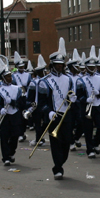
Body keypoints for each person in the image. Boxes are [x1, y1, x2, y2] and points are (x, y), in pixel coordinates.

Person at [36, 39, 76, 179]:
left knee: (66, 142)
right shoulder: (44, 81)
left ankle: (60, 162)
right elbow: (40, 103)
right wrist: (49, 111)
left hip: (66, 114)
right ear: (52, 65)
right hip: (53, 115)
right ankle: (57, 168)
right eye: (57, 65)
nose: (60, 67)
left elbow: (71, 94)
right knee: (55, 143)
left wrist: (72, 98)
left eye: (61, 65)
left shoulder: (69, 79)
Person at [0, 63, 26, 166]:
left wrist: (12, 102)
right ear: (3, 78)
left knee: (15, 136)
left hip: (15, 115)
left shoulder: (17, 89)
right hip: (4, 116)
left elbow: (22, 103)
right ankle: (5, 157)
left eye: (10, 76)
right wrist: (0, 109)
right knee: (4, 137)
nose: (9, 78)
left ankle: (11, 153)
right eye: (7, 76)